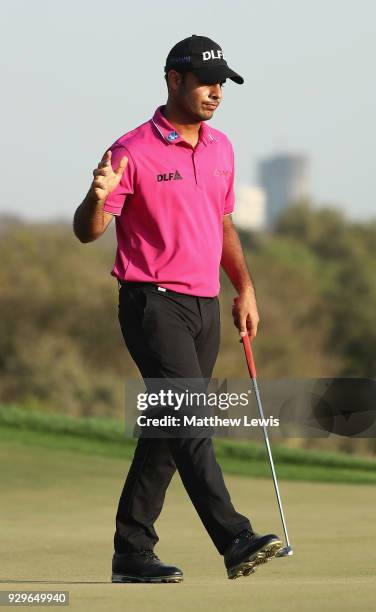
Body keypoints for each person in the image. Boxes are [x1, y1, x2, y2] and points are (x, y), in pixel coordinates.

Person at [73, 34, 282, 583]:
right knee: (190, 416)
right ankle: (234, 537)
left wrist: (245, 287)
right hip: (152, 303)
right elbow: (88, 232)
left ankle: (131, 550)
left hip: (204, 305)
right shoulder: (131, 150)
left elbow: (222, 223)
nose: (216, 91)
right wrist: (96, 198)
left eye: (222, 83)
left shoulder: (221, 148)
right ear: (174, 80)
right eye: (206, 81)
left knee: (168, 428)